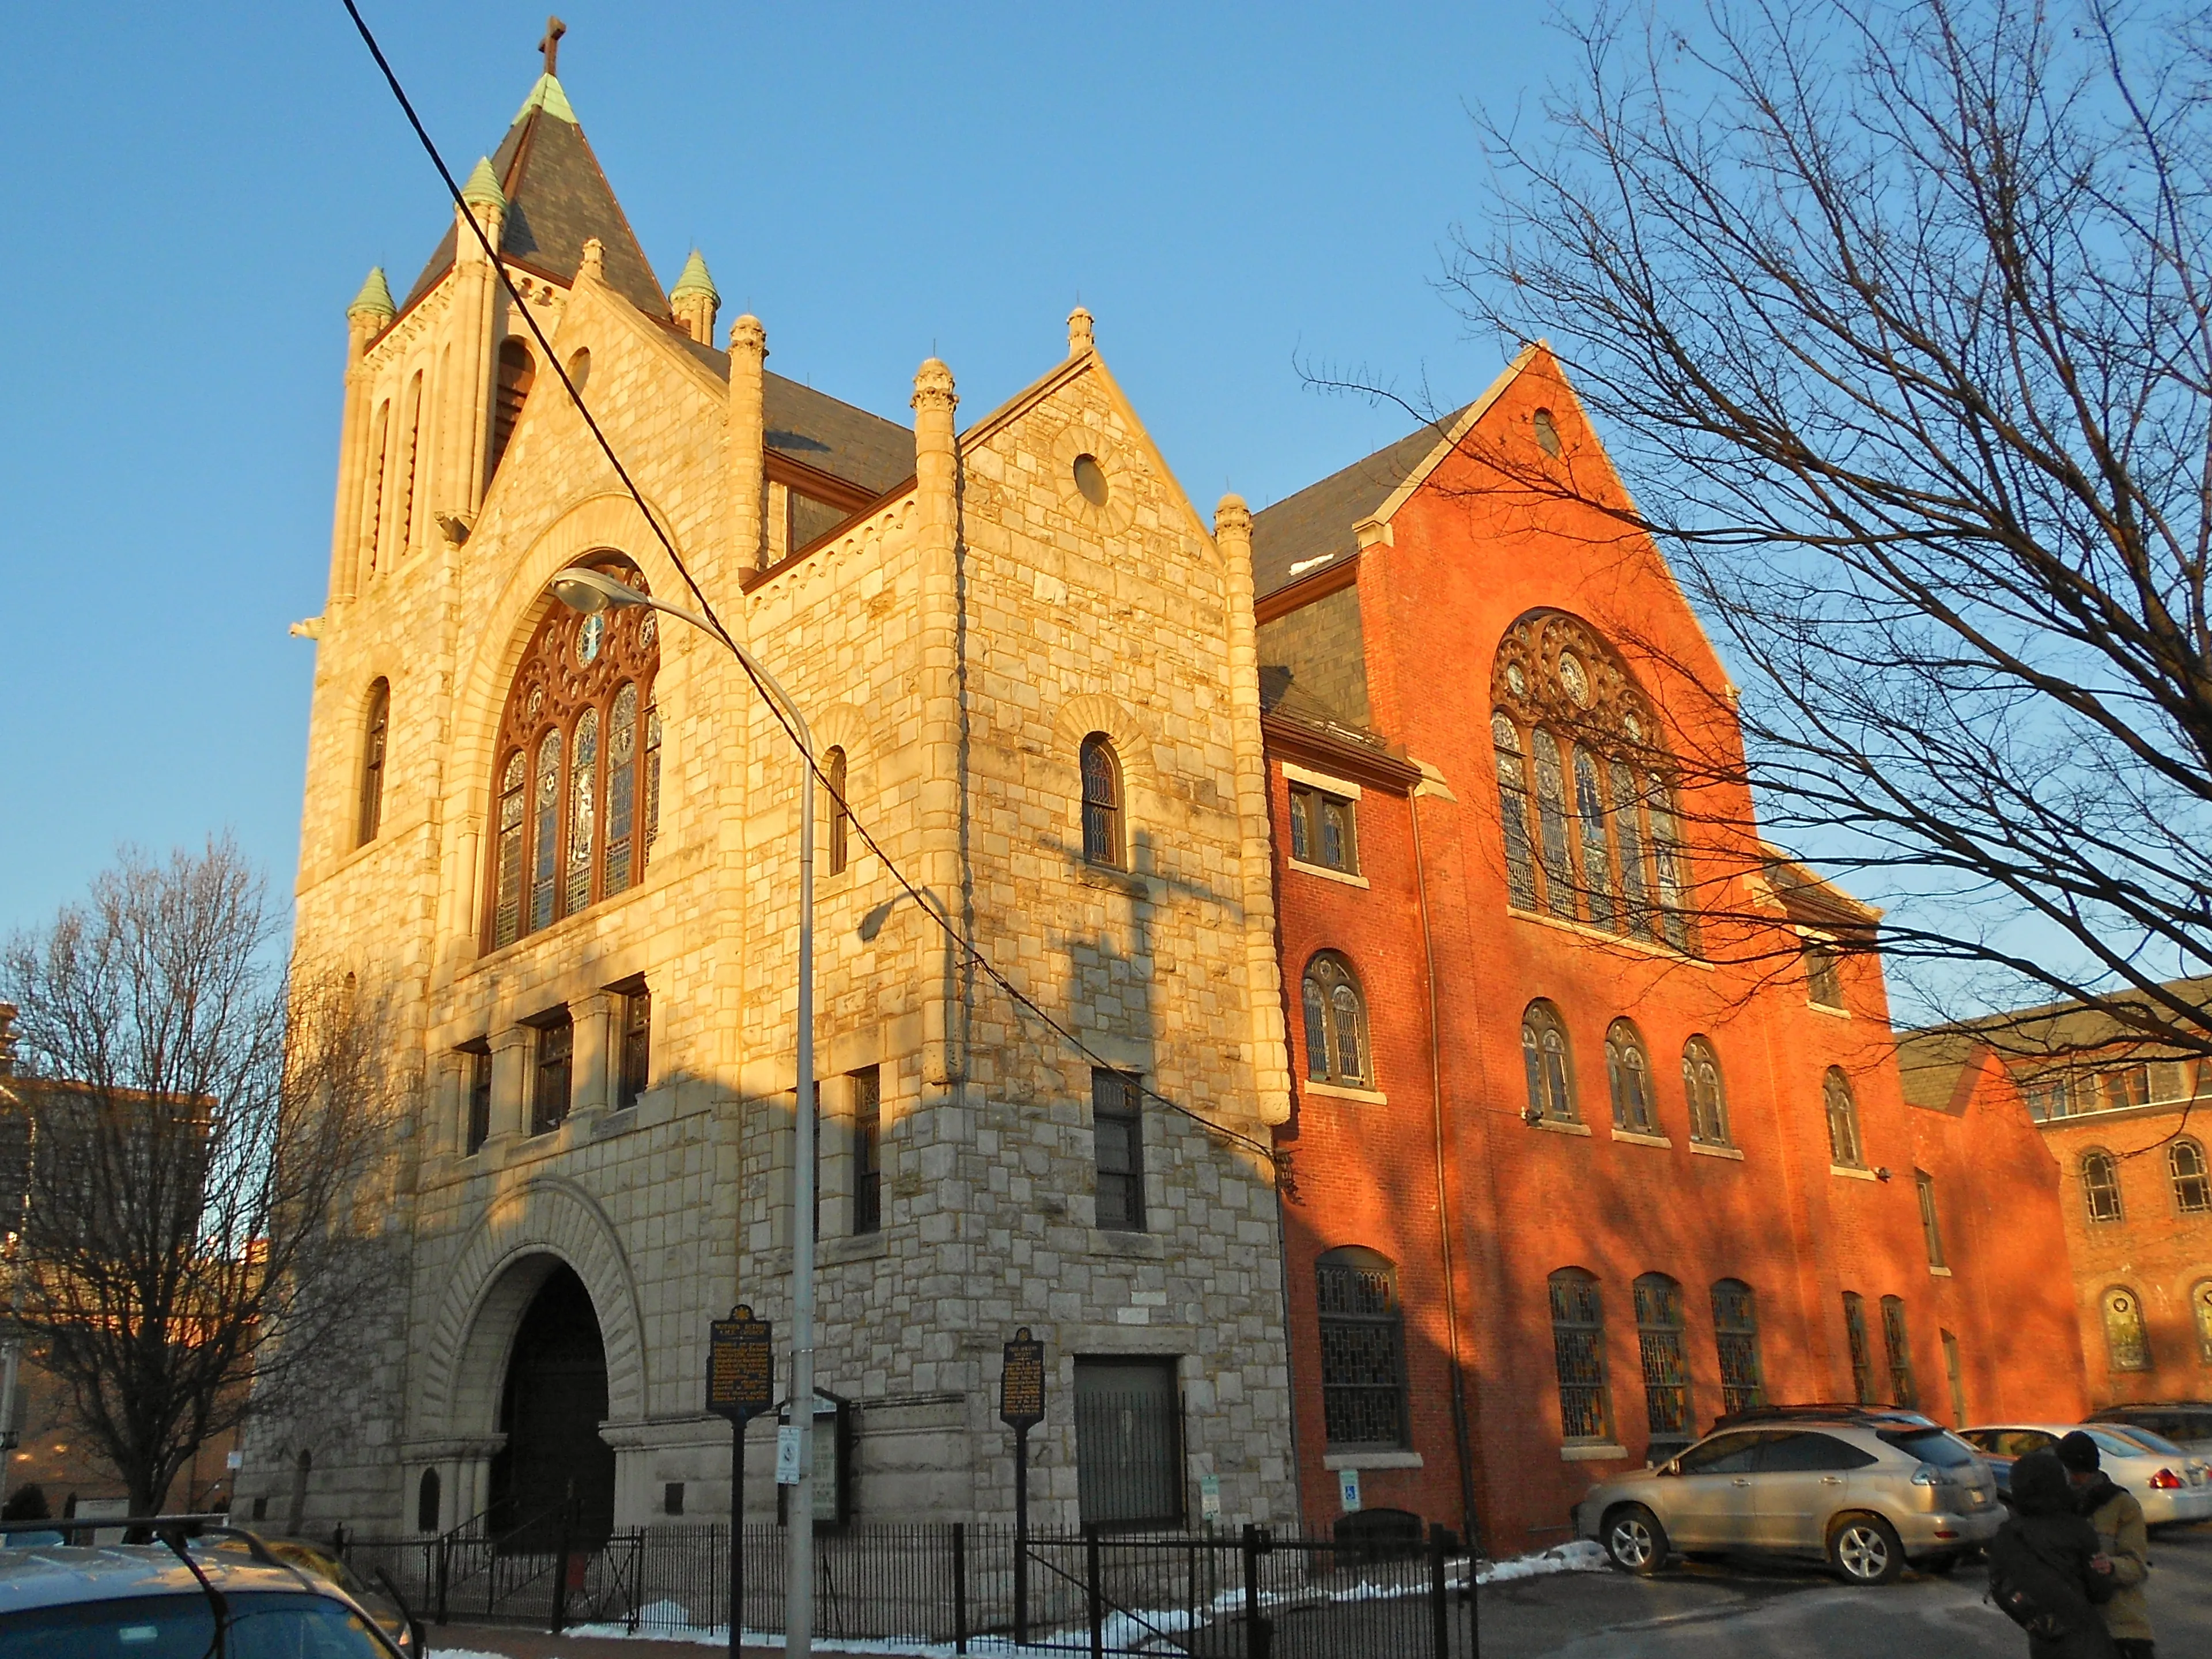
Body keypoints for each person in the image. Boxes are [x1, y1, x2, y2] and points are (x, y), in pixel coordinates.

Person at [1986, 1449, 2116, 1659]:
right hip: (2087, 1639)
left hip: (2044, 1637)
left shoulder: (2008, 1536)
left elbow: (2001, 1589)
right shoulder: (2077, 1529)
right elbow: (2101, 1592)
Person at [2058, 1430, 2153, 1658]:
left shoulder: (2122, 1504)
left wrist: (2111, 1567)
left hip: (2121, 1628)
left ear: (2074, 1471)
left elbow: (2137, 1566)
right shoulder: (2059, 1506)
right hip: (2075, 1630)